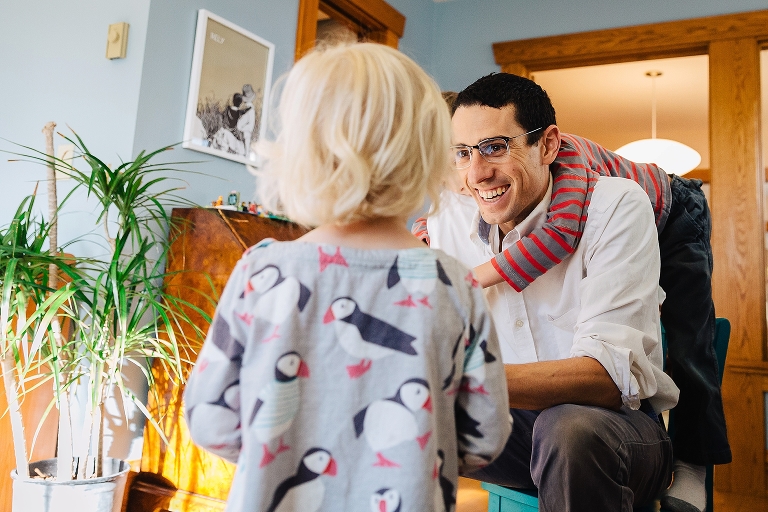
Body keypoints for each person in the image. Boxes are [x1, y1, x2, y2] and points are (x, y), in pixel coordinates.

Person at [182, 43, 512, 512]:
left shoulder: (263, 272)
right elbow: (485, 435)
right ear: (429, 155)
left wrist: (277, 449)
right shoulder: (454, 285)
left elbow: (210, 420)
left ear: (302, 154)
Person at [415, 74, 731, 512]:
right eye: (462, 154)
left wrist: (459, 377)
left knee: (682, 353)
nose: (475, 173)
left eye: (495, 147)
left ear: (547, 146)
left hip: (606, 429)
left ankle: (693, 465)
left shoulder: (606, 203)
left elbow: (606, 377)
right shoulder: (447, 216)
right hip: (514, 431)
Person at [238, 84, 257, 159]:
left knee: (246, 145)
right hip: (245, 130)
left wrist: (240, 127)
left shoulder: (249, 109)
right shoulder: (248, 108)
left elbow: (248, 122)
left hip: (246, 131)